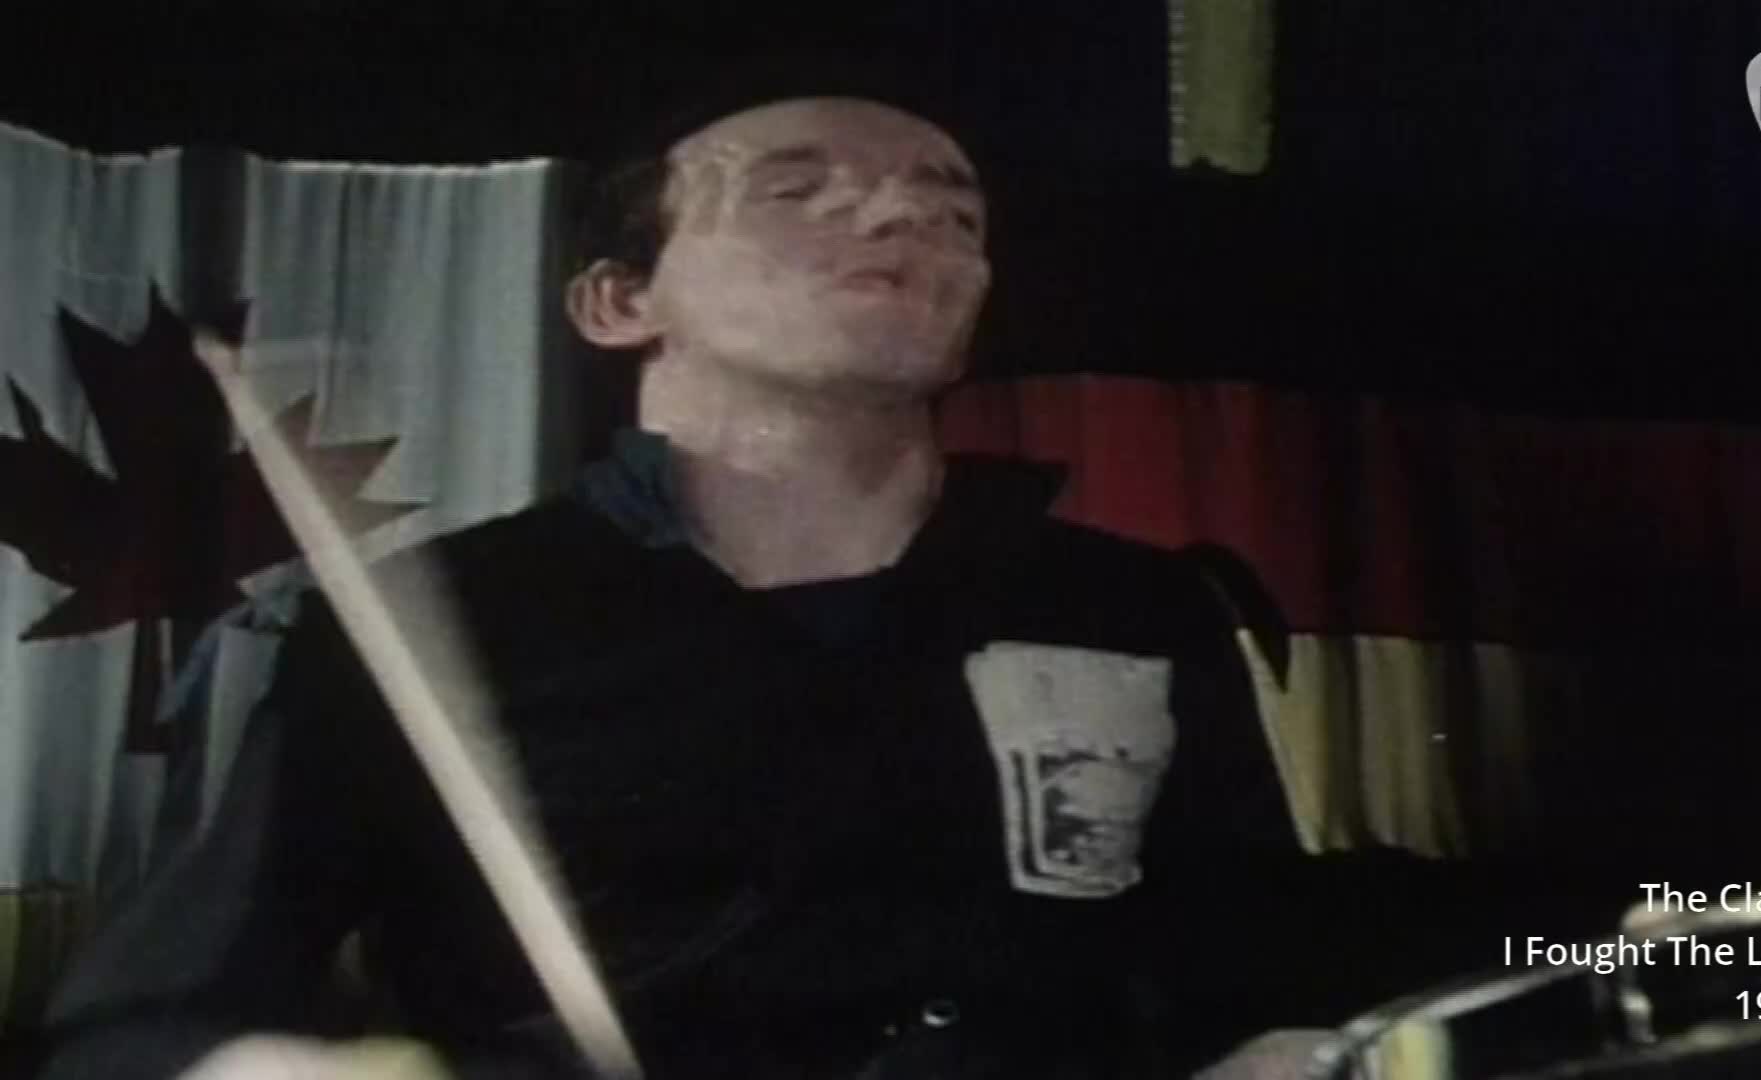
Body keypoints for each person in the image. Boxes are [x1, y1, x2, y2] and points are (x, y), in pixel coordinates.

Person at [27, 94, 1520, 1080]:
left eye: (952, 210)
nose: (903, 221)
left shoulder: (1132, 608)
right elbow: (147, 1020)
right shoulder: (430, 621)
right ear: (621, 300)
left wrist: (1593, 938)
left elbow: (1257, 937)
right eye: (800, 190)